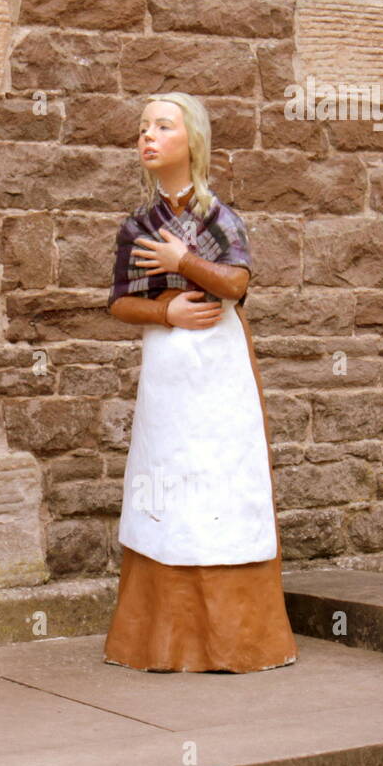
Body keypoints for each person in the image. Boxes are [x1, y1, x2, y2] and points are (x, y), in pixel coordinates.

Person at [102, 93, 297, 673]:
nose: (149, 136)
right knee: (165, 479)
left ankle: (240, 639)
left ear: (193, 140)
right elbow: (119, 302)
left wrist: (184, 261)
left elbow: (235, 282)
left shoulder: (218, 217)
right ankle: (155, 638)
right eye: (143, 128)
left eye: (164, 126)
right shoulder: (137, 225)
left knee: (220, 479)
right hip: (168, 375)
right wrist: (166, 313)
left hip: (218, 372)